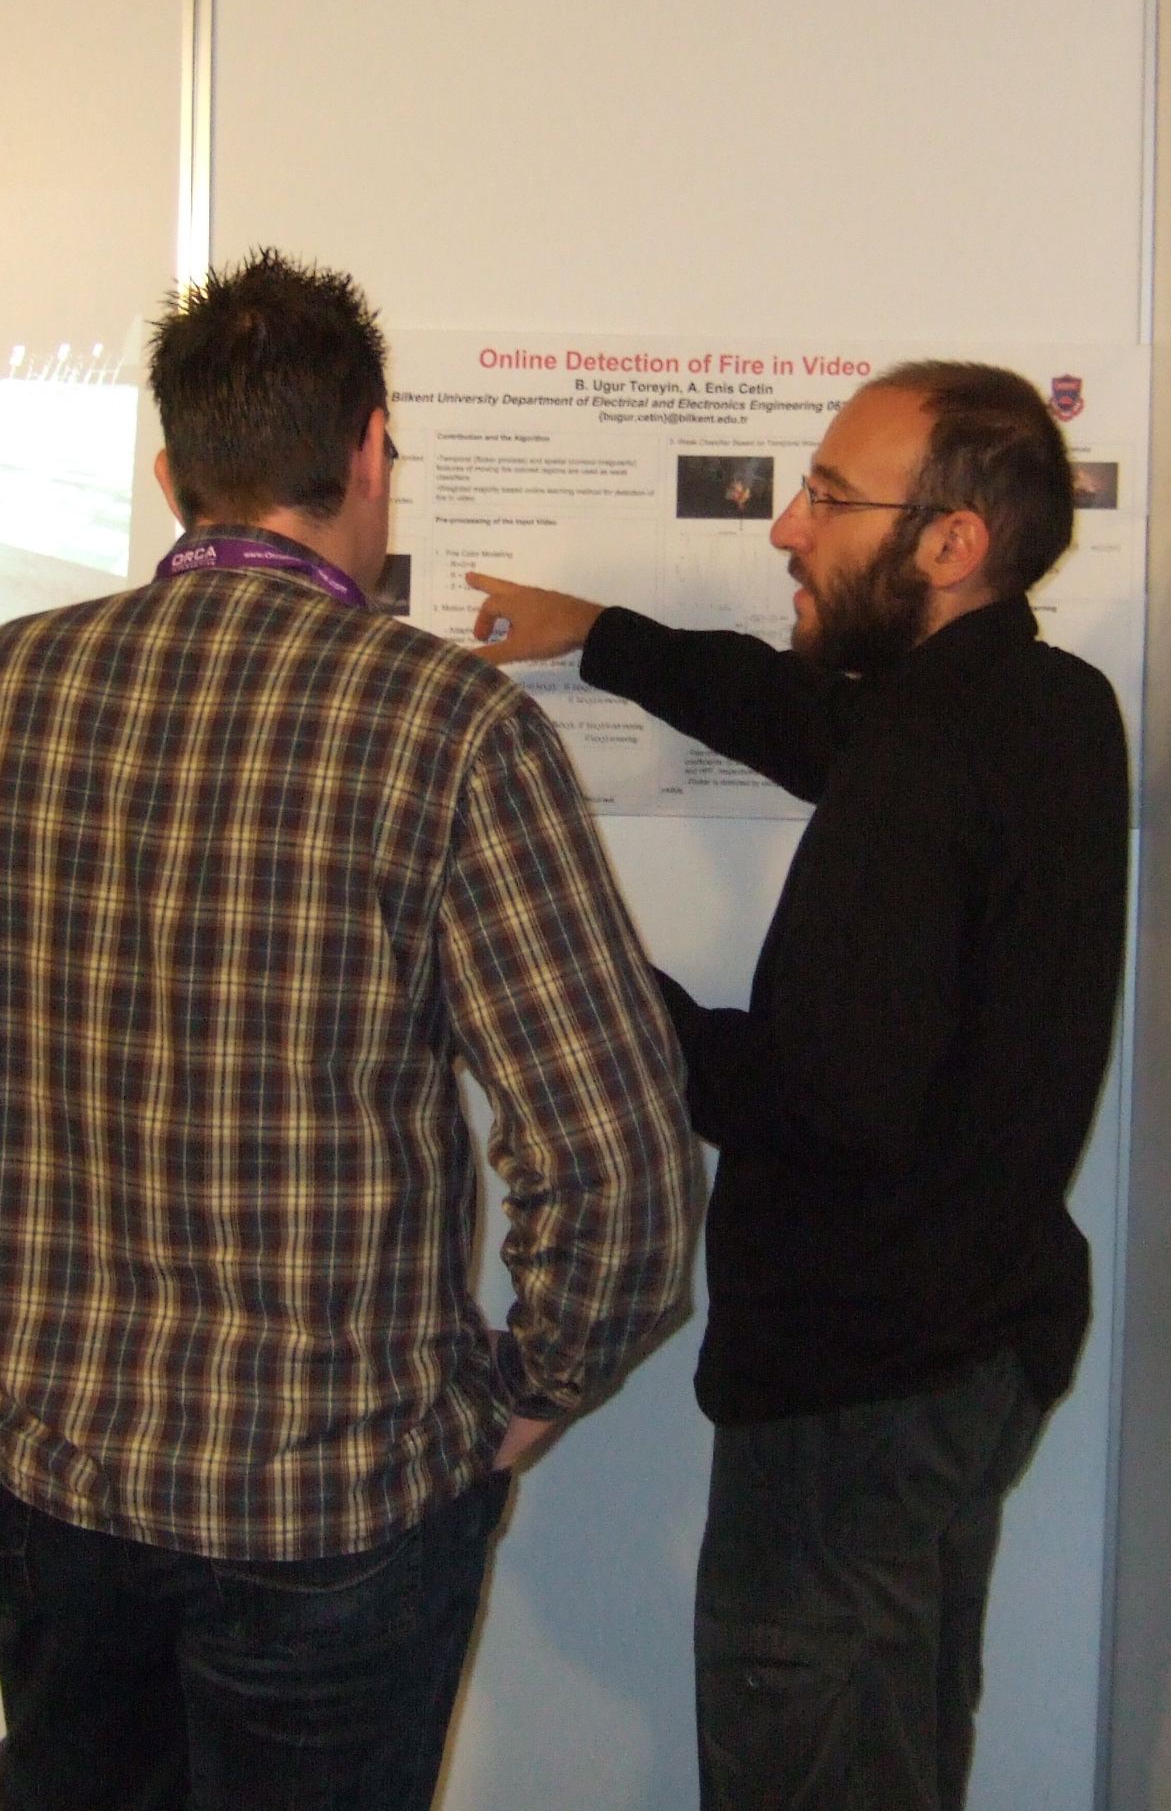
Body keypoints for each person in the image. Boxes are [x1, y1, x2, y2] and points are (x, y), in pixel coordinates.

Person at [0, 248, 700, 1811]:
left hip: (45, 1470)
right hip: (335, 1507)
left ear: (171, 475)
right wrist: (532, 1393)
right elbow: (615, 1165)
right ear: (370, 450)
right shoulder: (449, 725)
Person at [467, 362, 1130, 1811]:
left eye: (829, 498)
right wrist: (601, 636)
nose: (787, 528)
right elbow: (809, 724)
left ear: (950, 542)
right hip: (969, 1351)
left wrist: (577, 984)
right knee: (895, 1745)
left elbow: (817, 1102)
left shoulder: (930, 756)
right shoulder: (1045, 705)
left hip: (856, 1392)